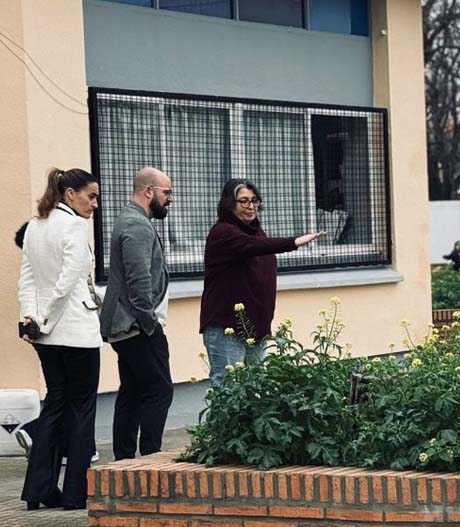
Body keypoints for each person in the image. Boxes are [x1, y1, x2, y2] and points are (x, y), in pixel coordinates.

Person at [15, 167, 101, 511]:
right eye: (90, 196)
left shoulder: (35, 225)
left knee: (54, 405)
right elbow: (66, 283)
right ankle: (76, 494)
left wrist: (31, 318)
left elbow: (27, 279)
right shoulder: (75, 226)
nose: (94, 203)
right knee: (81, 409)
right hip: (75, 331)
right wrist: (46, 318)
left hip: (44, 335)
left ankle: (38, 490)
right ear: (70, 195)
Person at [200, 179, 324, 385]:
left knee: (255, 389)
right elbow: (255, 246)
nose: (251, 206)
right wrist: (294, 242)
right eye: (243, 201)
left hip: (256, 326)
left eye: (254, 200)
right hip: (227, 326)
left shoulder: (255, 230)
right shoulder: (223, 232)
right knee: (229, 389)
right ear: (230, 204)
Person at [100, 167, 174, 461]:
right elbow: (138, 279)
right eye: (166, 193)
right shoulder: (136, 225)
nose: (170, 199)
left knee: (131, 391)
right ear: (148, 191)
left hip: (125, 325)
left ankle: (125, 460)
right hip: (135, 325)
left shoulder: (131, 220)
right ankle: (151, 458)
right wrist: (149, 323)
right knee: (159, 390)